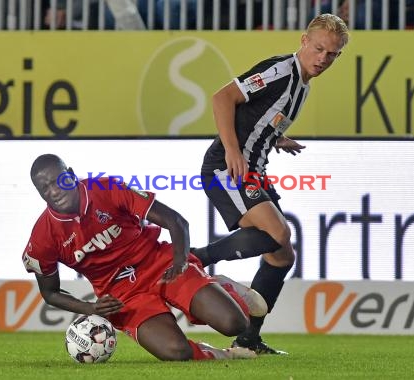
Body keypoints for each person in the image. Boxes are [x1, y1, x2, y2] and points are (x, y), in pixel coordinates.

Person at [198, 13, 350, 354]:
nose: (324, 58)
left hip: (254, 169)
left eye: (333, 53)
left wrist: (277, 138)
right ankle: (195, 259)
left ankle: (248, 342)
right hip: (229, 168)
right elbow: (222, 98)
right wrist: (234, 152)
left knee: (282, 255)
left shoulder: (302, 85)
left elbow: (258, 118)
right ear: (304, 42)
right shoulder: (281, 71)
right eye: (319, 48)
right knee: (278, 233)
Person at [22, 153, 268, 361]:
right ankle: (222, 355)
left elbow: (176, 221)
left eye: (59, 180)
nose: (54, 191)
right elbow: (50, 293)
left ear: (72, 175)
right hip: (123, 295)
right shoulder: (43, 237)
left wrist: (180, 262)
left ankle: (223, 285)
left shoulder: (106, 188)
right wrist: (90, 307)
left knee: (234, 324)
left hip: (160, 264)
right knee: (176, 352)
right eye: (45, 187)